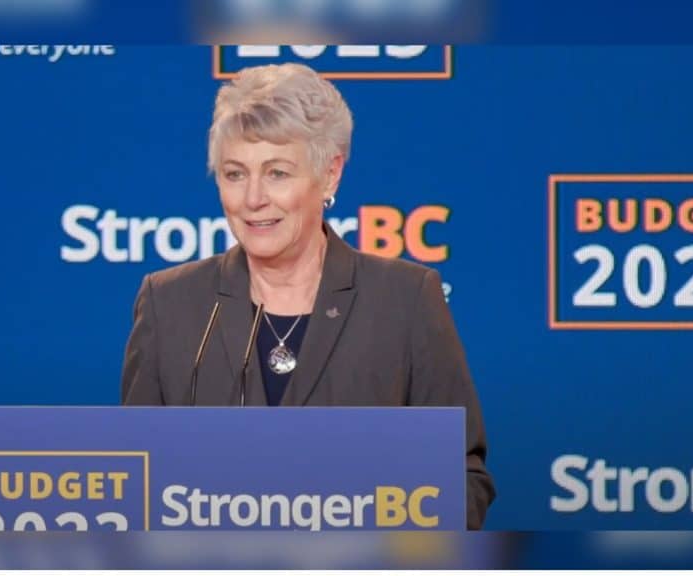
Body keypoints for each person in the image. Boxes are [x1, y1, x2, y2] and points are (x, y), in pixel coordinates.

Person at [121, 63, 495, 528]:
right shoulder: (169, 303)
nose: (253, 198)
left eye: (277, 173)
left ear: (331, 173)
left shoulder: (406, 298)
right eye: (235, 174)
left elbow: (462, 477)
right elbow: (133, 481)